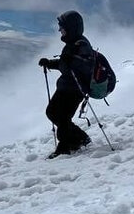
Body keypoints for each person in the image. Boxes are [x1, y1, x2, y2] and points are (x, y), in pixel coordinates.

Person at [38, 10, 94, 158]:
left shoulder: (81, 44)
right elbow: (66, 64)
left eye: (62, 27)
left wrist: (71, 60)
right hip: (66, 87)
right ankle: (80, 138)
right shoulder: (73, 44)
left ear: (71, 28)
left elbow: (84, 66)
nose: (59, 30)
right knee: (53, 113)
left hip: (74, 89)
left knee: (61, 117)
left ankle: (65, 149)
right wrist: (50, 63)